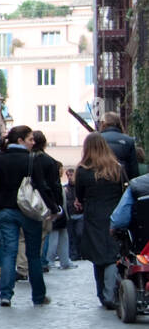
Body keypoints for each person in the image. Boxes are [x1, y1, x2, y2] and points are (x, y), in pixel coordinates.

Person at [0, 125, 53, 307]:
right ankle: (39, 296)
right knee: (33, 255)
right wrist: (53, 208)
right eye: (30, 139)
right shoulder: (31, 160)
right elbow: (41, 186)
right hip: (28, 211)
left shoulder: (0, 159)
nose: (33, 143)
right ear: (20, 140)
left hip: (6, 210)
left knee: (9, 253)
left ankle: (5, 295)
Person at [74, 132, 128, 309]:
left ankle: (103, 294)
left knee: (98, 256)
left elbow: (79, 197)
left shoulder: (82, 171)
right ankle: (111, 292)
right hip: (114, 213)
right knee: (112, 254)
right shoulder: (117, 168)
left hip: (94, 215)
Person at [31, 131, 66, 272]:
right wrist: (56, 204)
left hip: (28, 201)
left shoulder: (28, 158)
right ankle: (42, 261)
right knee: (44, 232)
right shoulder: (49, 161)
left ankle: (31, 262)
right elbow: (54, 184)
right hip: (46, 201)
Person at [99, 113, 140, 186]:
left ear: (103, 123)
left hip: (100, 181)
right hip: (122, 182)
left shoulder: (96, 139)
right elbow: (134, 169)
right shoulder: (129, 140)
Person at [65, 167, 84, 262]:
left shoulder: (79, 187)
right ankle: (74, 254)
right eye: (68, 175)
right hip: (70, 214)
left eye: (71, 175)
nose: (69, 177)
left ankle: (81, 252)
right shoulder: (65, 189)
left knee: (79, 233)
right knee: (71, 236)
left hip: (80, 214)